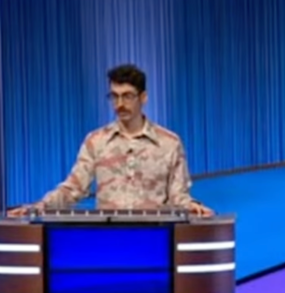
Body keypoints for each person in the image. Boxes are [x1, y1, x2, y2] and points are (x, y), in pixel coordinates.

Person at [7, 64, 213, 217]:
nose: (120, 104)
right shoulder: (96, 141)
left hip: (155, 239)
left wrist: (192, 206)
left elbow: (178, 196)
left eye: (127, 96)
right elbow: (73, 188)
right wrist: (40, 206)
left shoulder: (169, 143)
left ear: (144, 98)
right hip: (108, 239)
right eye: (114, 96)